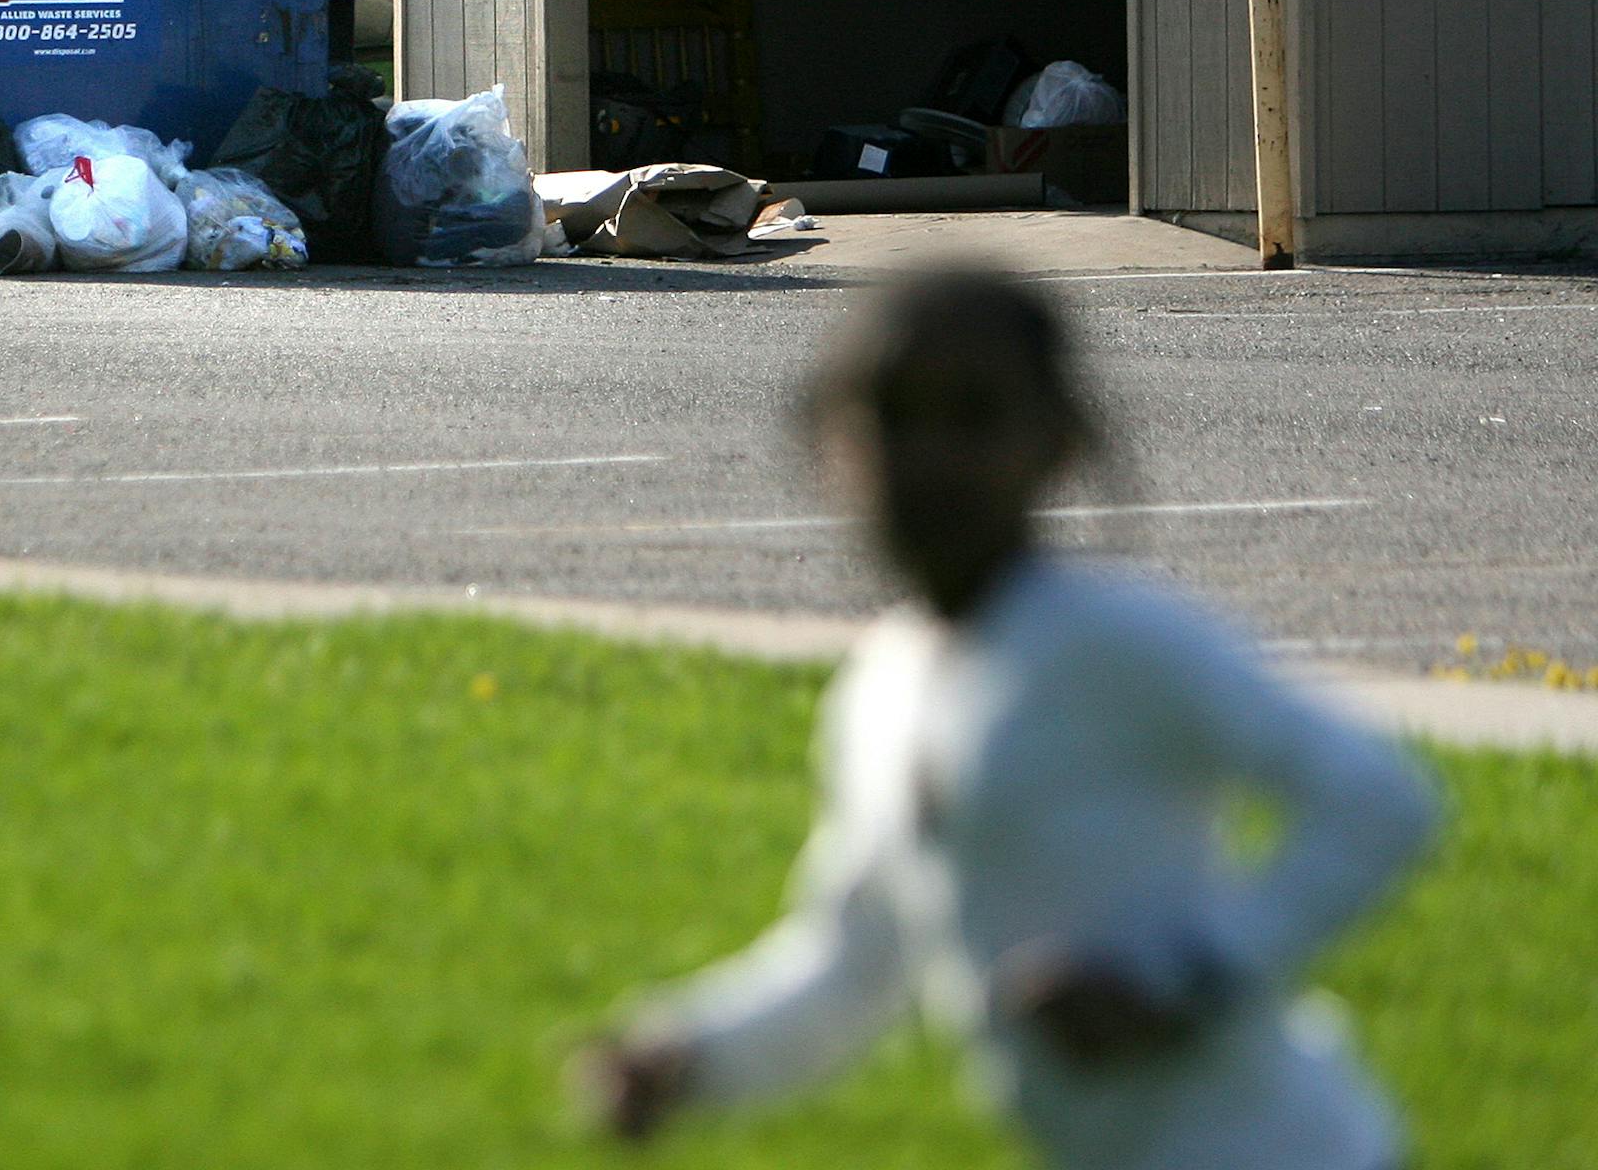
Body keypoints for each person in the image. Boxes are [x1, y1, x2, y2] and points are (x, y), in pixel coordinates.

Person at [579, 266, 1437, 1170]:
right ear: (835, 443)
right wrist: (687, 1055)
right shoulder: (884, 689)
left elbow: (1380, 802)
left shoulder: (1116, 638)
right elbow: (851, 965)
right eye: (892, 414)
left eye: (976, 414)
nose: (931, 456)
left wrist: (1183, 979)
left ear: (1058, 441)